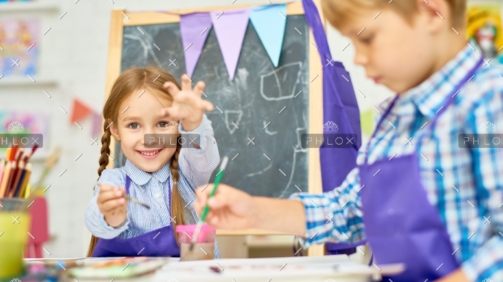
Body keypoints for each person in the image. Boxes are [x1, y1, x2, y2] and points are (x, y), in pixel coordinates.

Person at [194, 0, 503, 281]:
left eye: (366, 38)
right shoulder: (397, 116)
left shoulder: (489, 100)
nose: (358, 58)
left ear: (433, 11)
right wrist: (255, 210)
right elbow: (349, 211)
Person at [85, 66, 220, 258]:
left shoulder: (189, 172)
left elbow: (205, 155)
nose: (150, 138)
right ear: (115, 130)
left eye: (163, 124)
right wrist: (110, 217)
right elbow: (93, 220)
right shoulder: (113, 181)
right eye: (134, 125)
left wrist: (193, 125)